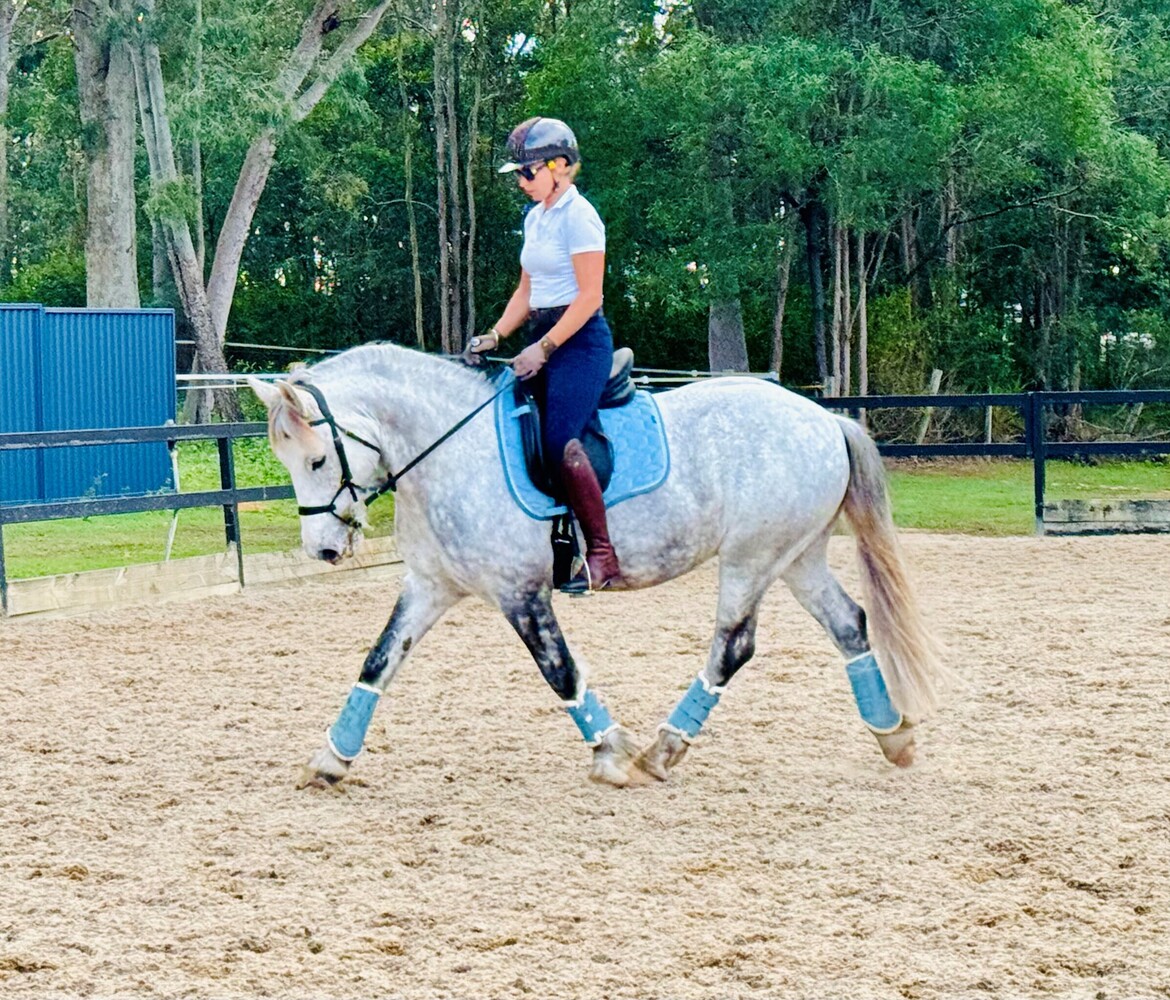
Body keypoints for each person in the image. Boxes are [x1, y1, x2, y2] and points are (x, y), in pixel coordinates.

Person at [469, 116, 624, 592]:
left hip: (579, 342)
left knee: (560, 440)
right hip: (543, 336)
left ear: (559, 167)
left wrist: (545, 346)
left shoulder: (581, 217)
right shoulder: (535, 218)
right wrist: (495, 335)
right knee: (510, 428)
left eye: (526, 172)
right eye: (518, 174)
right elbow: (526, 292)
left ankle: (600, 553)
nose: (520, 182)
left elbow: (589, 297)